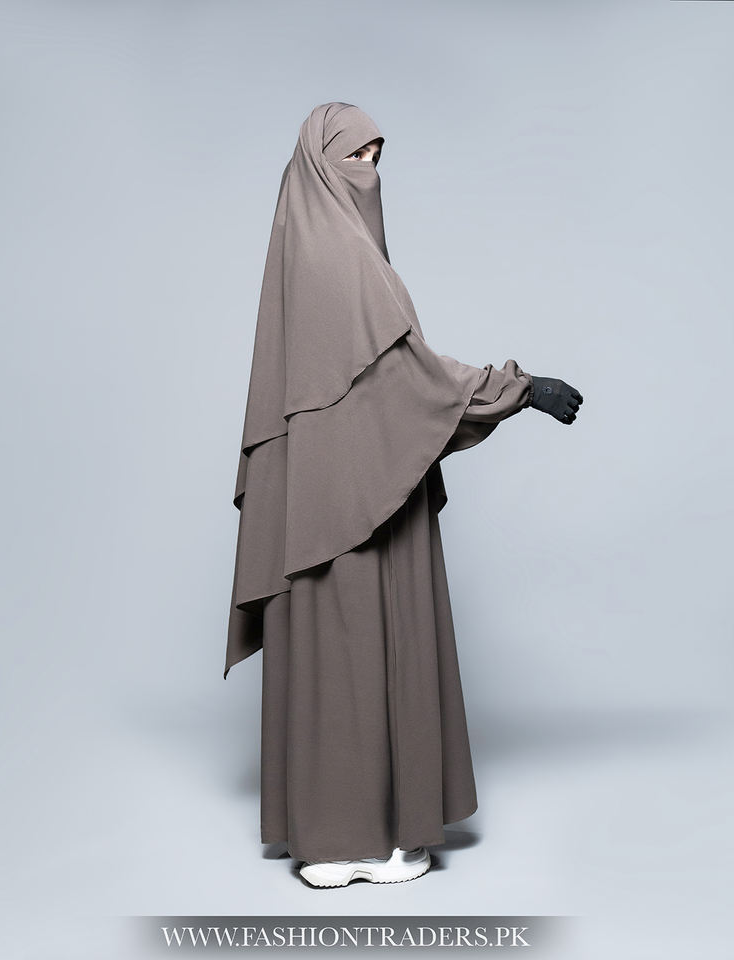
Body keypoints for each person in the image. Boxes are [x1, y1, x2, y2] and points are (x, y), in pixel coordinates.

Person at [224, 102, 583, 889]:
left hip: (323, 495)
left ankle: (330, 843)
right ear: (322, 169)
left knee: (335, 651)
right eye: (356, 158)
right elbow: (409, 377)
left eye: (377, 159)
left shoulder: (297, 250)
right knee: (366, 643)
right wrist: (519, 389)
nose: (370, 175)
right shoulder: (348, 261)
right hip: (362, 493)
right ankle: (377, 840)